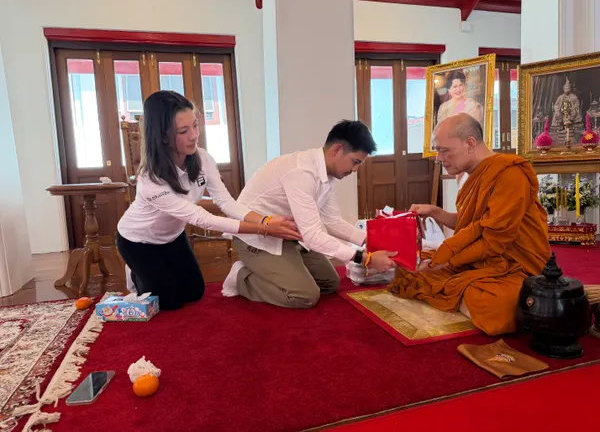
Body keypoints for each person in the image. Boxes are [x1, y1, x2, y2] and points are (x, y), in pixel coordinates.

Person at [116, 91, 301, 310]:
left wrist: (265, 220)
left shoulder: (202, 158)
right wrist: (264, 229)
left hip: (173, 236)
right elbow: (201, 219)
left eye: (195, 125)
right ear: (163, 136)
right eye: (183, 131)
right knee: (170, 302)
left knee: (195, 292)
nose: (194, 135)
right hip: (138, 241)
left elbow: (225, 202)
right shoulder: (150, 179)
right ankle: (136, 274)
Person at [387, 113, 551, 335]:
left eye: (444, 150)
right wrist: (434, 211)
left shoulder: (510, 173)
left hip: (514, 266)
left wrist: (445, 263)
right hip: (482, 260)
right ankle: (460, 294)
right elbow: (471, 225)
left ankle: (463, 294)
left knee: (493, 305)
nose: (439, 158)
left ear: (470, 143)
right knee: (409, 267)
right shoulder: (472, 176)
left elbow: (493, 240)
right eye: (438, 151)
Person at [221, 120, 397, 308]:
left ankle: (282, 266)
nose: (355, 170)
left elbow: (332, 222)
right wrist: (366, 258)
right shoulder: (301, 173)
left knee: (329, 283)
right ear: (337, 149)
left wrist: (371, 240)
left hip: (289, 236)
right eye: (355, 162)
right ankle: (241, 277)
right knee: (304, 296)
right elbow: (312, 236)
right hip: (256, 237)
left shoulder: (327, 175)